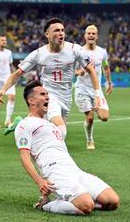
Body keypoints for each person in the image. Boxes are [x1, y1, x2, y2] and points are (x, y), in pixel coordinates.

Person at [14, 80, 119, 215]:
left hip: (74, 170)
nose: (47, 97)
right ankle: (45, 205)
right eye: (42, 94)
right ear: (31, 101)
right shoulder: (25, 124)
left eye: (47, 94)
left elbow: (61, 127)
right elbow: (24, 157)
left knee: (112, 201)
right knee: (86, 206)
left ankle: (78, 199)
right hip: (55, 172)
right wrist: (39, 181)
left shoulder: (50, 124)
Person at [0, 17, 100, 138]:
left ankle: (21, 123)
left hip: (66, 98)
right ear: (47, 34)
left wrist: (97, 94)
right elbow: (17, 73)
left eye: (62, 30)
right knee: (61, 132)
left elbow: (91, 70)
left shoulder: (74, 49)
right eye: (56, 30)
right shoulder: (39, 54)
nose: (61, 33)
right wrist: (3, 90)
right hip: (49, 96)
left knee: (47, 130)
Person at [74, 25, 113, 150]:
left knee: (104, 117)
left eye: (93, 34)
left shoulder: (102, 52)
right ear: (85, 35)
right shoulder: (79, 51)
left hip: (97, 90)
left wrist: (109, 83)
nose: (91, 35)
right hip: (82, 89)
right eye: (88, 33)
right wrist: (79, 72)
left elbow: (106, 67)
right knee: (90, 117)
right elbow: (72, 70)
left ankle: (95, 109)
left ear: (96, 36)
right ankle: (90, 140)